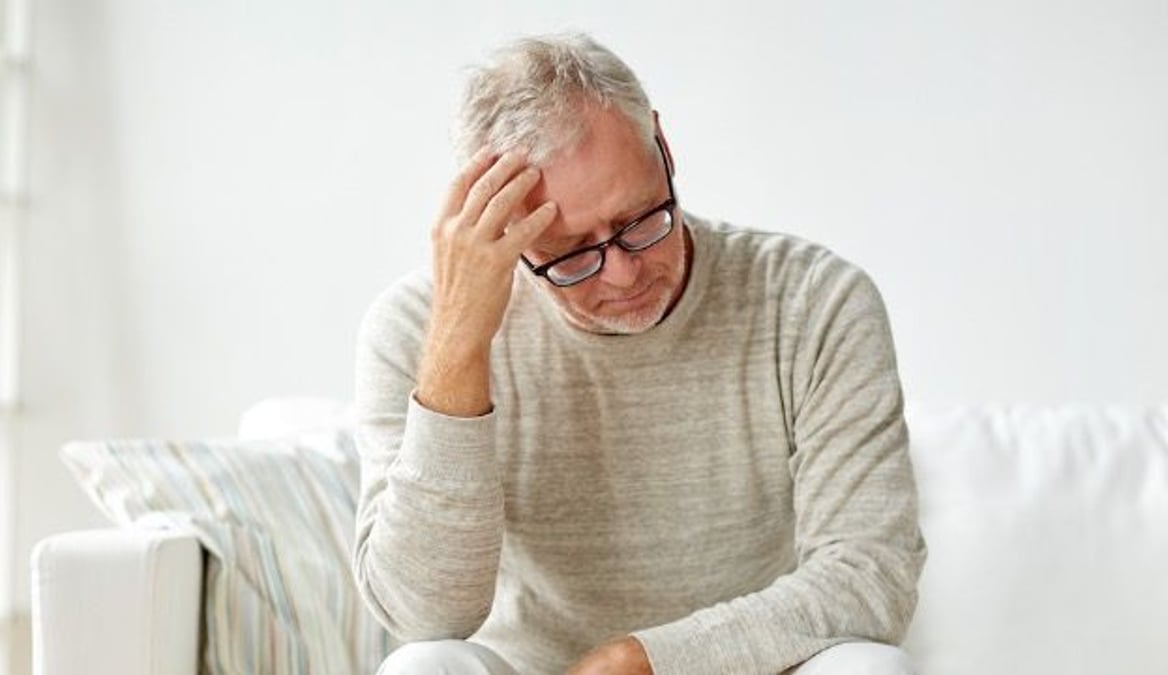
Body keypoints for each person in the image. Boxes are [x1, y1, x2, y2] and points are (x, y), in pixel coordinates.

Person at [352, 32, 926, 675]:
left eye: (640, 219)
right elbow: (424, 617)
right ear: (507, 233)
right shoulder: (415, 329)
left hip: (749, 668)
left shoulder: (813, 300)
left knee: (872, 668)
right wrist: (459, 345)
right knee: (422, 666)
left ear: (664, 146)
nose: (623, 275)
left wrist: (641, 661)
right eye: (569, 252)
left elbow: (870, 573)